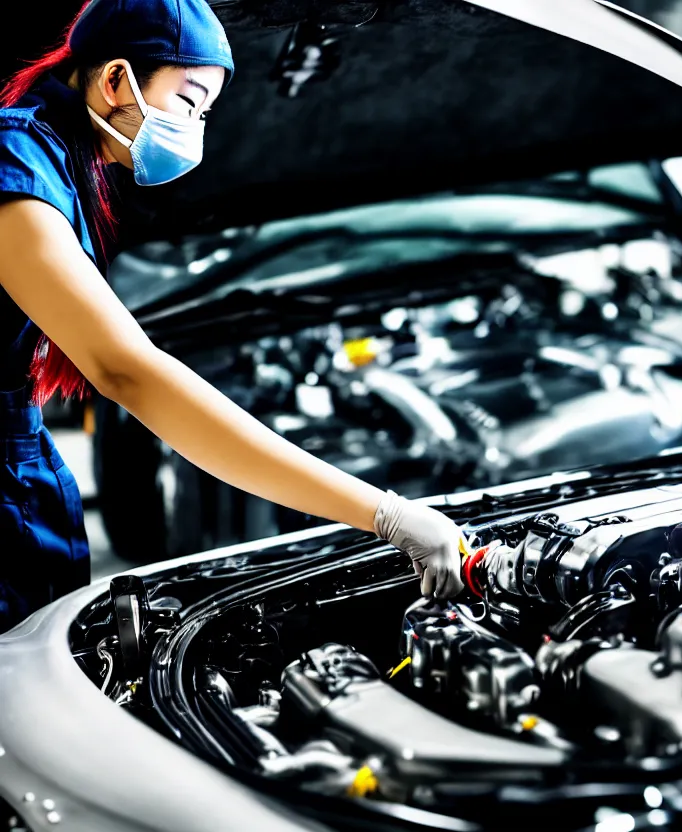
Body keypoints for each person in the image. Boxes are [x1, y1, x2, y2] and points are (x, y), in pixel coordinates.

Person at [0, 0, 466, 633]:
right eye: (188, 102)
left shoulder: (50, 155)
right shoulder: (16, 163)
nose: (195, 128)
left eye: (206, 112)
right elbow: (126, 371)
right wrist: (381, 514)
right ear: (114, 81)